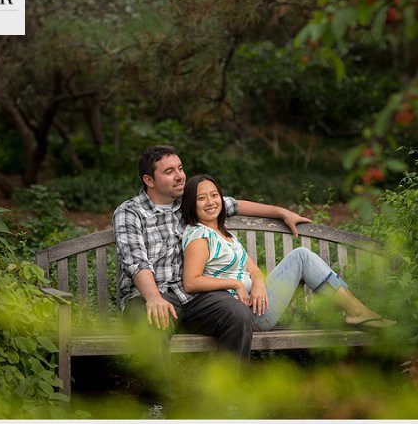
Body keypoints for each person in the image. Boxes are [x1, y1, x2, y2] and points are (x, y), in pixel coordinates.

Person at [112, 145, 312, 416]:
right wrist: (153, 297)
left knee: (238, 313)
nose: (180, 176)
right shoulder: (130, 213)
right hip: (151, 295)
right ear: (149, 180)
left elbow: (235, 204)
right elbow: (136, 261)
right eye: (169, 171)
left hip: (194, 297)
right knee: (150, 319)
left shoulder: (188, 203)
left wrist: (280, 212)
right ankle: (156, 404)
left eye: (180, 168)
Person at [180, 174, 395, 332]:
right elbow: (191, 281)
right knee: (301, 256)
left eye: (214, 195)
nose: (210, 202)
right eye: (201, 198)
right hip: (248, 316)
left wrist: (259, 282)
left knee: (301, 255)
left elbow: (252, 267)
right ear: (192, 204)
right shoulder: (200, 237)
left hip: (257, 302)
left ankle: (357, 312)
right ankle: (357, 312)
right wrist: (236, 284)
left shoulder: (221, 233)